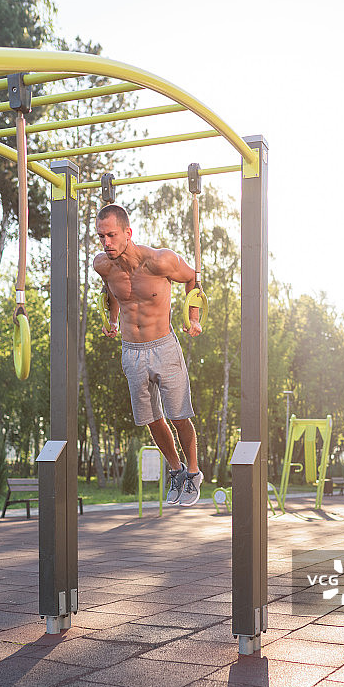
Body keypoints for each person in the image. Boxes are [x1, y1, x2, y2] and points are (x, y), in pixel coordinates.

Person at [93, 203, 204, 507]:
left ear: (128, 233)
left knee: (179, 415)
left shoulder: (160, 261)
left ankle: (193, 472)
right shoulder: (102, 264)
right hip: (131, 351)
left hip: (164, 346)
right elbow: (112, 291)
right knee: (151, 419)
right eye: (101, 236)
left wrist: (193, 318)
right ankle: (176, 470)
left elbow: (192, 279)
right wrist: (112, 321)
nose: (106, 243)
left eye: (112, 235)